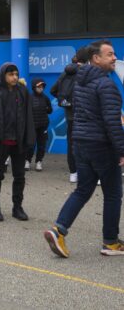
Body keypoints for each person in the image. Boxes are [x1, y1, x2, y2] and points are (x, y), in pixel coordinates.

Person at [44, 40, 124, 258]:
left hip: (80, 142)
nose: (114, 57)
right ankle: (111, 242)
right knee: (114, 193)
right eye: (110, 54)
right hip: (101, 146)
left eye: (114, 54)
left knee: (83, 190)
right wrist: (121, 150)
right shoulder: (106, 85)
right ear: (96, 58)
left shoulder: (81, 82)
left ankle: (58, 230)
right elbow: (112, 121)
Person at [0, 63, 35, 222]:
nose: (14, 77)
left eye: (16, 74)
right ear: (3, 75)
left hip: (19, 141)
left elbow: (28, 116)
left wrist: (29, 138)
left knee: (19, 176)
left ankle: (17, 207)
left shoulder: (23, 91)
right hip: (2, 141)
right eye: (11, 74)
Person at [50, 47, 89, 183]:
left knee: (71, 143)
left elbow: (53, 90)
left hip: (70, 115)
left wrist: (66, 102)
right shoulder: (87, 72)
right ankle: (87, 172)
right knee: (88, 143)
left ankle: (73, 173)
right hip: (85, 115)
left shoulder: (65, 73)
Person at [26, 78, 52, 171]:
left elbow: (50, 110)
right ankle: (27, 161)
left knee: (41, 145)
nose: (41, 88)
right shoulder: (29, 98)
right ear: (34, 87)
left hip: (43, 125)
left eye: (42, 87)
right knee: (30, 145)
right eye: (39, 86)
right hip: (32, 126)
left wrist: (47, 109)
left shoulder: (46, 98)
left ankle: (39, 161)